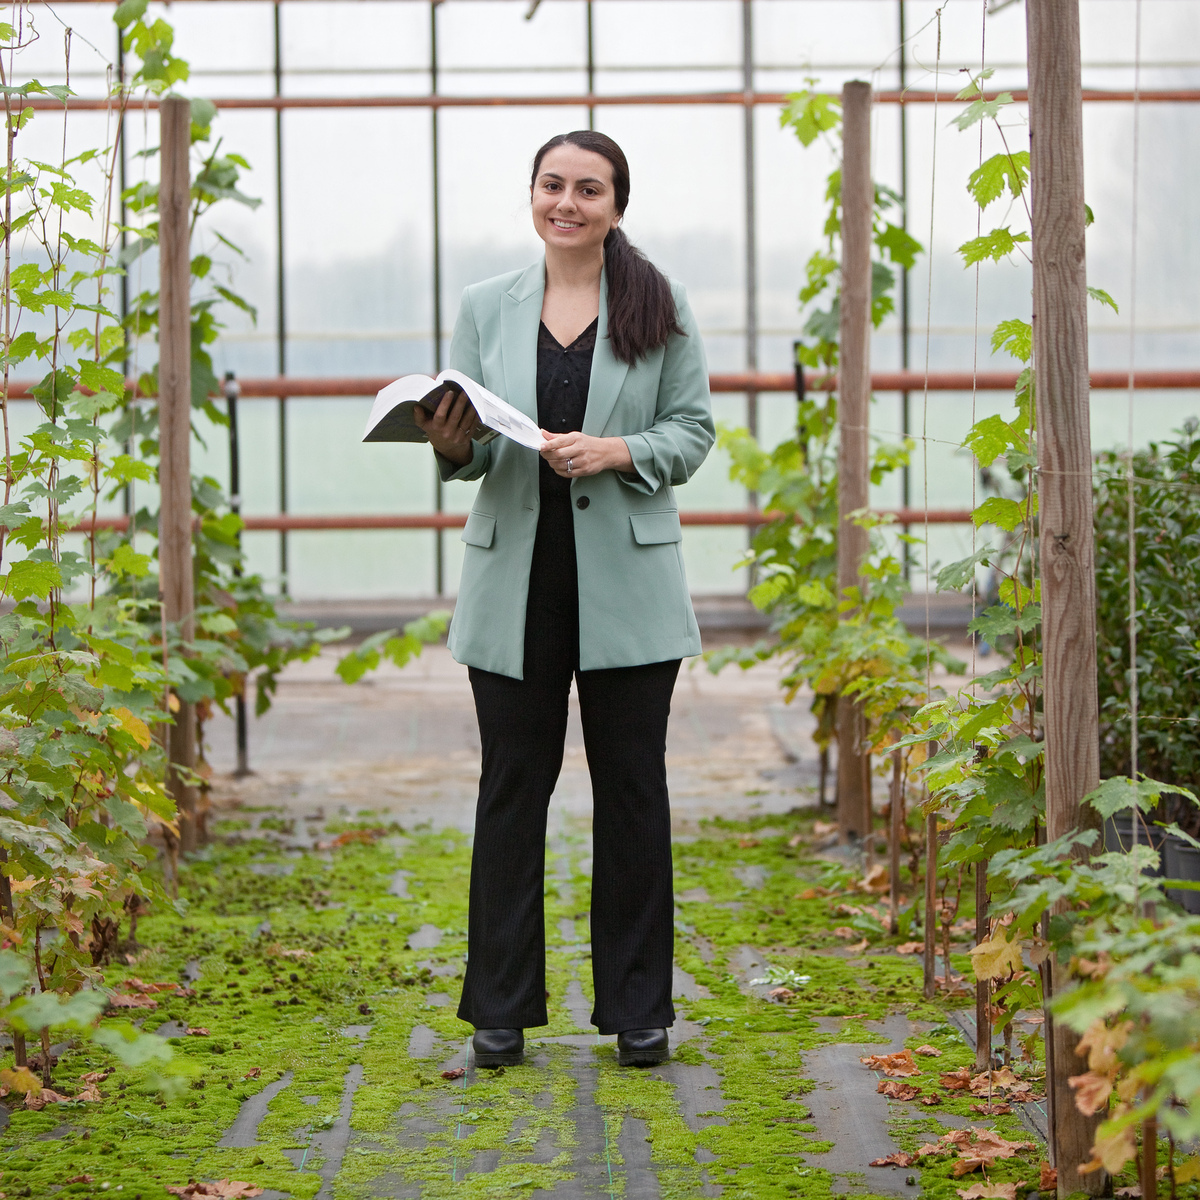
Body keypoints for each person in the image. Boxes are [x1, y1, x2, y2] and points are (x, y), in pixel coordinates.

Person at [413, 130, 714, 1069]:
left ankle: (639, 1013)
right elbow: (463, 454)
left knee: (632, 792)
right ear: (532, 196)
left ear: (617, 205)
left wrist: (620, 451)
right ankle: (499, 1011)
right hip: (518, 579)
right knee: (512, 791)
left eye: (590, 189)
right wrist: (450, 441)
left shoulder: (658, 307)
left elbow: (692, 431)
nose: (568, 203)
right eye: (553, 185)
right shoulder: (484, 307)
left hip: (628, 586)